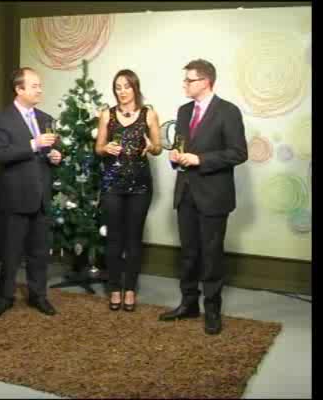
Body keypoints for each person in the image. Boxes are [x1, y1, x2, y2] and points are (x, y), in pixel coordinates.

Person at [158, 59, 248, 335]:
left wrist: (201, 159)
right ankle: (188, 304)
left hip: (214, 196)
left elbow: (238, 153)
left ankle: (212, 310)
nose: (184, 84)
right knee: (188, 254)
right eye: (185, 80)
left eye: (189, 80)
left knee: (211, 255)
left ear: (206, 82)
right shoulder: (184, 111)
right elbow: (181, 146)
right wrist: (175, 157)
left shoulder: (228, 111)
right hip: (185, 192)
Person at [0, 67, 62, 317]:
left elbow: (53, 150)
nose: (40, 90)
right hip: (15, 197)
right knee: (11, 252)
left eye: (40, 85)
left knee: (40, 252)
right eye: (34, 86)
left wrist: (56, 156)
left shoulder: (46, 118)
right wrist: (33, 144)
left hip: (41, 197)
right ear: (19, 89)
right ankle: (4, 297)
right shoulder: (1, 119)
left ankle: (38, 296)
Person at [95, 69, 162, 312]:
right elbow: (98, 148)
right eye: (118, 87)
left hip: (140, 185)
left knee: (134, 237)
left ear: (135, 88)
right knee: (114, 238)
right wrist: (105, 149)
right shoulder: (107, 114)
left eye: (126, 86)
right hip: (112, 184)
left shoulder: (149, 114)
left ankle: (131, 289)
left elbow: (158, 148)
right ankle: (115, 288)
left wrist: (151, 146)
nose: (122, 91)